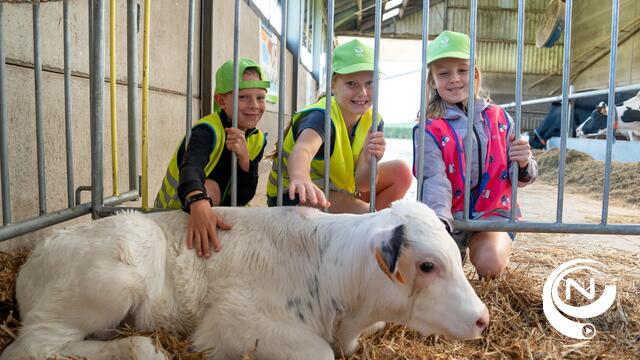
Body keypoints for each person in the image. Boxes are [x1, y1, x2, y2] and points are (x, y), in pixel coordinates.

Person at [413, 31, 538, 278]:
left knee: (490, 264)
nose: (455, 79)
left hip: (493, 213)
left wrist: (524, 162)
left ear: (476, 74)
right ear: (432, 81)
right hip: (449, 217)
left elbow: (522, 178)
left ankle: (494, 252)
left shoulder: (500, 117)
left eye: (463, 70)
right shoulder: (428, 127)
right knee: (439, 274)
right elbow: (433, 179)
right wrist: (439, 223)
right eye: (443, 73)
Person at [267, 39, 412, 213]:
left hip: (337, 190)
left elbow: (364, 185)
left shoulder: (373, 121)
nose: (362, 92)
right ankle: (371, 228)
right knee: (367, 214)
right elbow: (303, 150)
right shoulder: (321, 116)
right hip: (297, 193)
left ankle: (373, 229)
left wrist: (369, 158)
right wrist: (301, 178)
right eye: (351, 83)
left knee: (401, 173)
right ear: (333, 84)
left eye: (370, 83)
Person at [155, 58, 269, 258]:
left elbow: (244, 195)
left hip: (216, 208)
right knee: (211, 187)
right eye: (243, 97)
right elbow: (191, 168)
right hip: (174, 212)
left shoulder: (257, 139)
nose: (254, 106)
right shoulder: (206, 130)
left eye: (260, 98)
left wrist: (244, 159)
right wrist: (198, 201)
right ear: (221, 101)